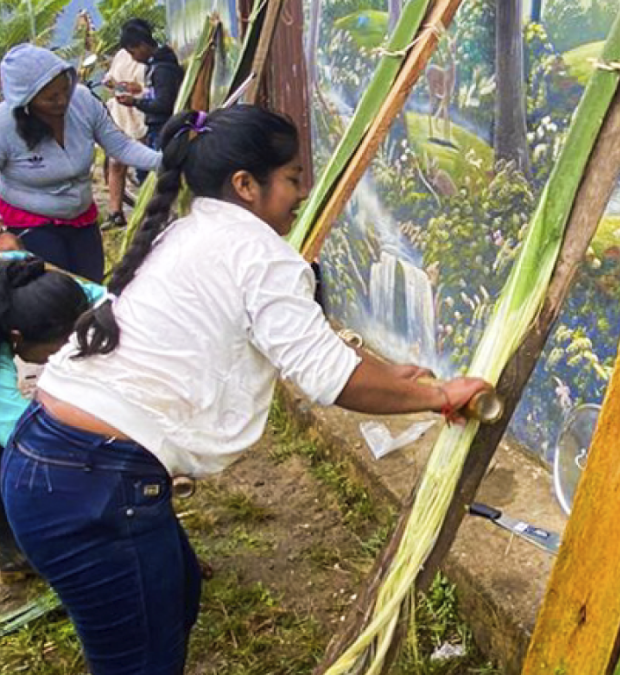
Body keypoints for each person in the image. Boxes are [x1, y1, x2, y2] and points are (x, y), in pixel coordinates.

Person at [0, 105, 491, 674]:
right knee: (141, 662)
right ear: (245, 185)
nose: (302, 192)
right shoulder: (257, 254)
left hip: (48, 459)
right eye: (292, 179)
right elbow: (331, 377)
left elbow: (307, 343)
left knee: (177, 596)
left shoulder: (192, 231)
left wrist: (388, 375)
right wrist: (438, 396)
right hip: (92, 485)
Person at [0, 44, 162, 283]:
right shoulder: (4, 126)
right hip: (31, 224)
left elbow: (121, 146)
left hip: (81, 218)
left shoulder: (83, 101)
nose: (62, 100)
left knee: (91, 288)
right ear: (26, 102)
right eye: (50, 97)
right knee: (56, 296)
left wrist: (166, 162)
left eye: (65, 89)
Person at [0, 253, 102, 580]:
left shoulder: (25, 278)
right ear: (16, 336)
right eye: (57, 347)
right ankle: (10, 544)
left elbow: (108, 301)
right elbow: (25, 433)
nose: (63, 354)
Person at [113, 19, 183, 156]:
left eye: (133, 53)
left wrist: (134, 102)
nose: (134, 59)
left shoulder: (163, 69)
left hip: (163, 129)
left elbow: (163, 104)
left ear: (143, 45)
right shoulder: (154, 67)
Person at [102, 46, 148, 230]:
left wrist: (136, 89)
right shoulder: (121, 55)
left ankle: (148, 209)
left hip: (141, 112)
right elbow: (111, 77)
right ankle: (115, 212)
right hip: (121, 113)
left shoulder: (149, 59)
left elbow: (151, 88)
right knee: (116, 163)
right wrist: (112, 84)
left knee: (144, 162)